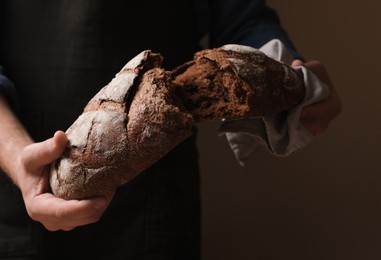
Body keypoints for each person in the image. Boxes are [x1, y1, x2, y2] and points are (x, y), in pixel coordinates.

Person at [0, 1, 341, 259]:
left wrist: (288, 76)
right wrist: (17, 157)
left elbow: (243, 18)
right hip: (16, 190)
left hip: (158, 205)